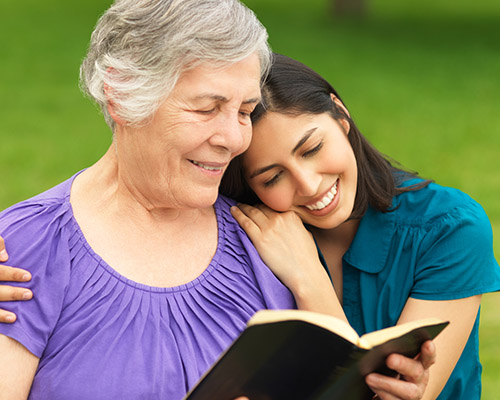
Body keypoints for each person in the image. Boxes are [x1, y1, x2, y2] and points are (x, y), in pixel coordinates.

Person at [0, 2, 436, 400]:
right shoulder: (24, 251)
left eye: (245, 111)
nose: (234, 140)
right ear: (121, 95)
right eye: (208, 109)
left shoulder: (267, 241)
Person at [218, 54, 500, 399]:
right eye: (273, 177)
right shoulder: (245, 237)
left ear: (341, 115)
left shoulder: (449, 229)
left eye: (312, 148)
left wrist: (309, 280)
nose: (308, 185)